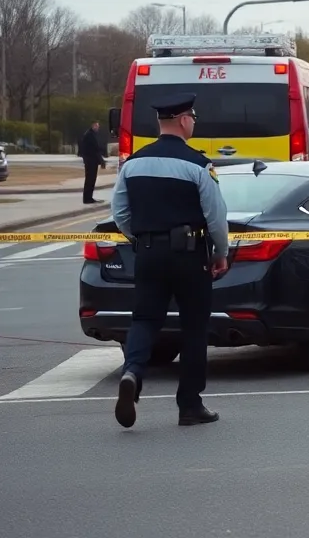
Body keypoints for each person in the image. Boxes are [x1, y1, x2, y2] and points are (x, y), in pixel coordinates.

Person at [109, 92, 230, 428]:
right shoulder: (198, 164)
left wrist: (142, 239)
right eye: (193, 117)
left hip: (148, 253)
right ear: (183, 120)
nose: (193, 122)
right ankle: (189, 405)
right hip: (190, 256)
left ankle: (132, 373)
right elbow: (216, 217)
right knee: (193, 327)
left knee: (145, 319)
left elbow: (119, 212)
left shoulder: (133, 163)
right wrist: (221, 253)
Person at [78, 121, 107, 204]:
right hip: (90, 161)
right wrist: (101, 161)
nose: (98, 128)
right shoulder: (90, 135)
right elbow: (95, 150)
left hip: (91, 161)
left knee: (91, 180)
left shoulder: (91, 135)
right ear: (93, 126)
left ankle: (89, 197)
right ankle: (87, 198)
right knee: (90, 180)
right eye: (97, 126)